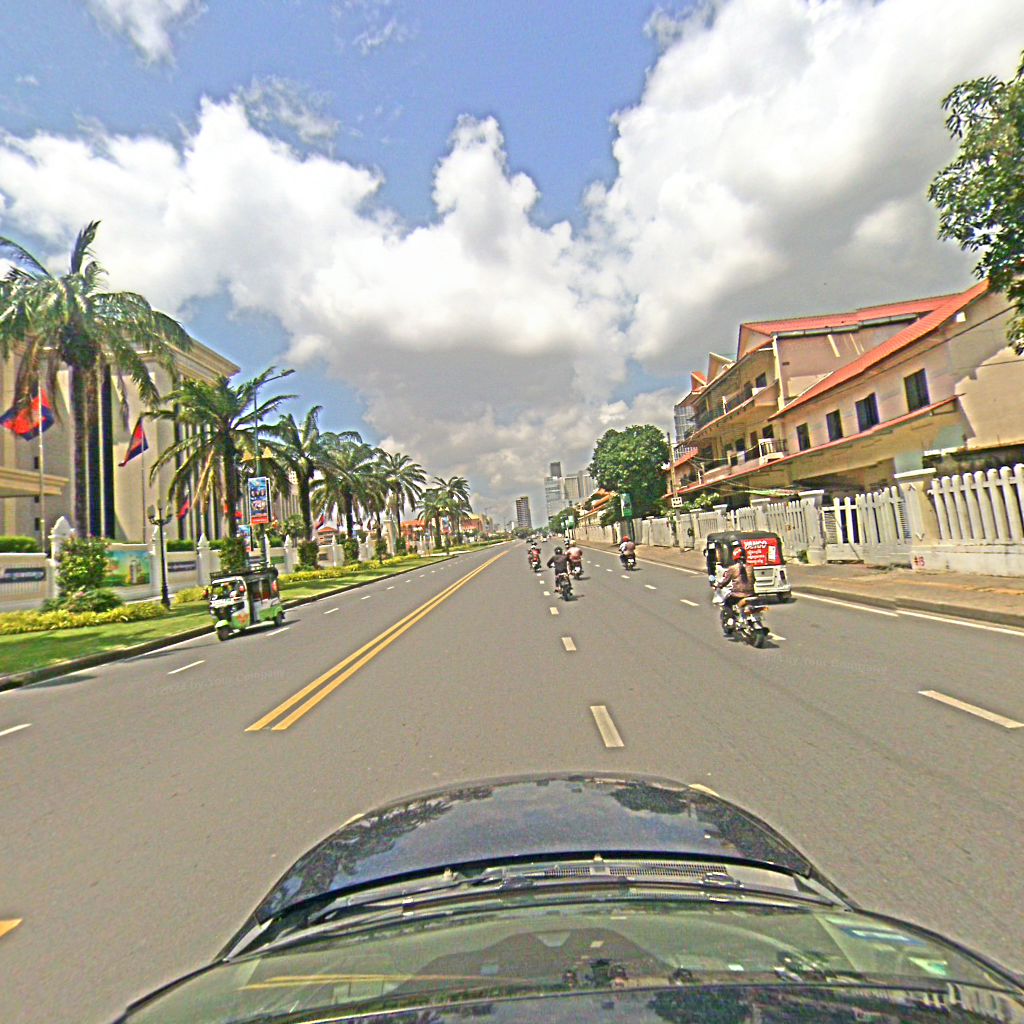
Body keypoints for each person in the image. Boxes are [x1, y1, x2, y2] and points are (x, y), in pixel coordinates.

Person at [717, 546, 754, 633]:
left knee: (727, 604)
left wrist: (719, 585)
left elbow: (725, 581)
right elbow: (753, 580)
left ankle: (730, 620)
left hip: (738, 595)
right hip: (751, 594)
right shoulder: (750, 567)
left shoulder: (733, 568)